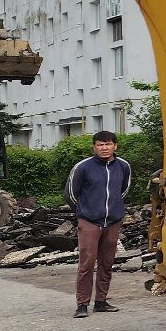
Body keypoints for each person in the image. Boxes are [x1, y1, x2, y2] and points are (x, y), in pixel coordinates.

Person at [66, 131, 133, 318]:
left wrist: (113, 209)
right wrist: (84, 213)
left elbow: (123, 190)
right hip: (89, 221)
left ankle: (101, 301)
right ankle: (82, 304)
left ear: (115, 146)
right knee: (86, 263)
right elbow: (71, 194)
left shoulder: (123, 166)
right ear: (94, 147)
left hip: (112, 221)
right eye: (100, 144)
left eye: (108, 144)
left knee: (107, 262)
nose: (104, 148)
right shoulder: (83, 167)